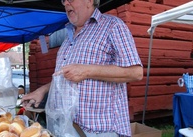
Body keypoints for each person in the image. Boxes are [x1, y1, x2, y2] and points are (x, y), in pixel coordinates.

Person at [21, 0, 143, 136]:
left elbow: (136, 72)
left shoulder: (112, 26)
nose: (66, 3)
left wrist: (87, 71)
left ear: (90, 1)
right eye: (63, 0)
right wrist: (41, 91)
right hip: (67, 127)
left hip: (100, 131)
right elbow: (65, 76)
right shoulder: (68, 38)